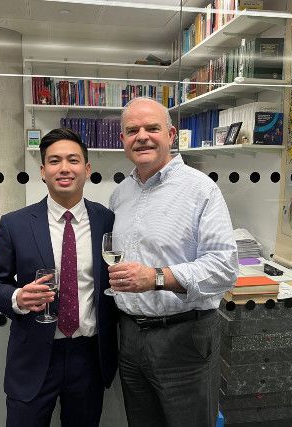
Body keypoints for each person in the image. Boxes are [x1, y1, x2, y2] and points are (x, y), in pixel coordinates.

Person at [107, 97, 239, 426]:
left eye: (152, 128)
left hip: (184, 339)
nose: (142, 136)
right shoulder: (120, 194)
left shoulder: (201, 190)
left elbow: (224, 269)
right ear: (122, 139)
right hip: (131, 338)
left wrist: (156, 277)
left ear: (171, 134)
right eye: (132, 130)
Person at [0, 128, 118, 427]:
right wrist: (17, 297)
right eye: (54, 161)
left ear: (87, 169)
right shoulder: (15, 223)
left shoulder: (107, 220)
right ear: (43, 171)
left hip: (88, 356)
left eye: (73, 160)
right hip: (33, 357)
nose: (65, 168)